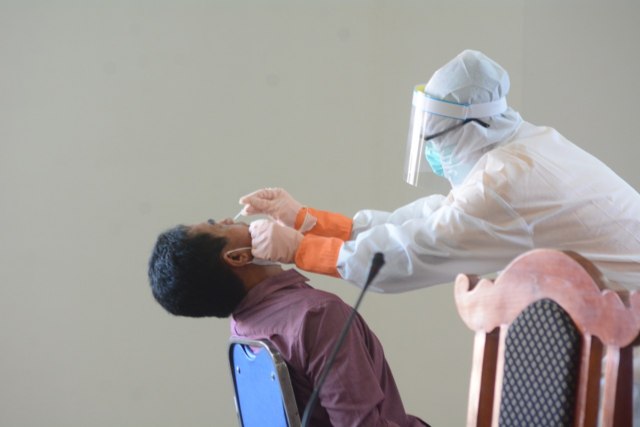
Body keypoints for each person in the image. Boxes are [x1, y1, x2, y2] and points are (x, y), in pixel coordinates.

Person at [239, 49, 640, 425]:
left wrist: (299, 248)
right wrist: (308, 220)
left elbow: (408, 254)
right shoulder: (523, 146)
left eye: (435, 140)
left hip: (627, 347)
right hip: (615, 331)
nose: (431, 152)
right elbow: (434, 217)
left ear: (470, 127)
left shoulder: (504, 183)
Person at [147, 218, 429, 427]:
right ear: (238, 257)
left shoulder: (242, 325)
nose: (229, 219)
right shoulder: (317, 314)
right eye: (218, 225)